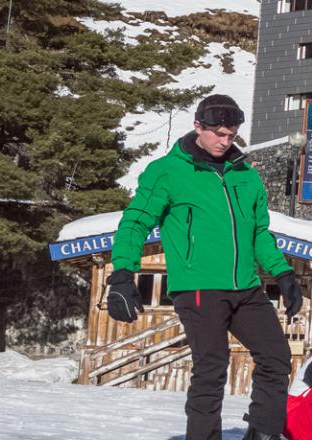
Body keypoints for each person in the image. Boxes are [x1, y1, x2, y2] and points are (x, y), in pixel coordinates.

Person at [105, 94, 301, 440]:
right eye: (218, 134)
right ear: (198, 126)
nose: (225, 142)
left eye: (232, 135)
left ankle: (264, 434)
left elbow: (258, 232)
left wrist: (282, 273)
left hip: (246, 286)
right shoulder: (167, 172)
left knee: (276, 357)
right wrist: (122, 274)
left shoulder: (246, 176)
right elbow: (134, 223)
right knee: (212, 367)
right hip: (198, 287)